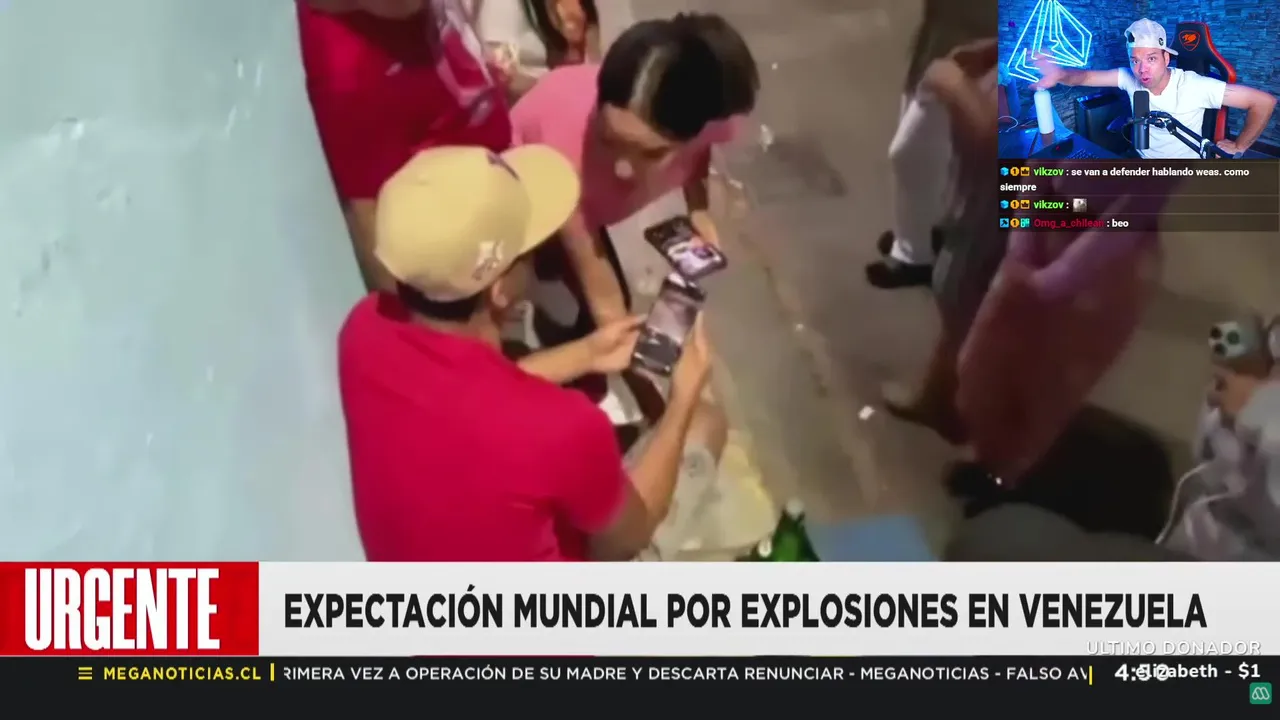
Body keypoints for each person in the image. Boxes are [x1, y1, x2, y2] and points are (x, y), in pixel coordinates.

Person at [337, 144, 727, 561]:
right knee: (705, 424)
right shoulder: (565, 428)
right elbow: (627, 537)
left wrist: (587, 353)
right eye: (530, 247)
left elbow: (465, 404)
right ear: (499, 290)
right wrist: (683, 400)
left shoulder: (363, 330)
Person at [509, 14, 759, 355]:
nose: (623, 170)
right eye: (608, 140)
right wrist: (652, 375)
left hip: (580, 214)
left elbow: (702, 152)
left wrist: (699, 208)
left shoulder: (714, 120)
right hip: (522, 211)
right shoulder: (564, 146)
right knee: (559, 302)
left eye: (651, 152)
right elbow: (603, 297)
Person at [298, 0, 514, 292]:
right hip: (473, 266)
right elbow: (374, 233)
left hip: (507, 187)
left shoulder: (406, 11)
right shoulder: (349, 74)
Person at [880, 37, 1005, 444]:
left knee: (962, 295)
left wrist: (948, 81)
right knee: (968, 296)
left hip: (1002, 203)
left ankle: (950, 403)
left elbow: (992, 139)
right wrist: (994, 50)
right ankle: (948, 393)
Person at [865, 0, 997, 289]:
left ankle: (915, 256)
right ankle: (921, 235)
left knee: (910, 154)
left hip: (969, 61)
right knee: (928, 154)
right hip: (946, 47)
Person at [1032, 18, 1277, 159]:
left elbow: (1264, 102)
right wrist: (1060, 74)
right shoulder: (1129, 77)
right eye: (1135, 60)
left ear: (1166, 58)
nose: (1142, 70)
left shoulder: (1194, 86)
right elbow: (1085, 77)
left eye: (1151, 59)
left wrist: (1239, 145)